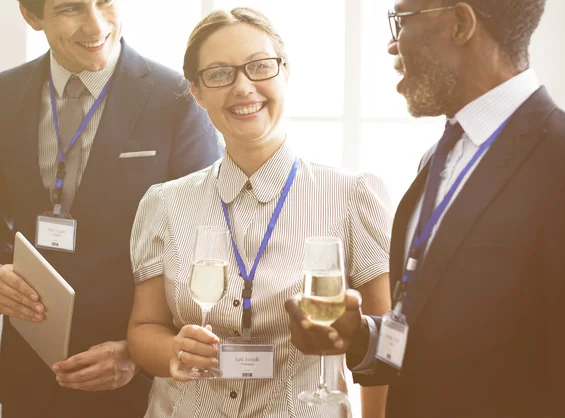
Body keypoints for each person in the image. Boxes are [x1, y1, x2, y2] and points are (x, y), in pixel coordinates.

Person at [285, 0, 565, 417]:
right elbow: (439, 332)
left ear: (459, 23)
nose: (392, 46)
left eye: (402, 21)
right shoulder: (437, 158)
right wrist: (360, 337)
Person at [127, 7, 392, 418]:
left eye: (260, 67)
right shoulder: (164, 203)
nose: (243, 87)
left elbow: (382, 352)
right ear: (196, 92)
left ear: (285, 72)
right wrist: (172, 350)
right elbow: (144, 330)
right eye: (219, 74)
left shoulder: (353, 195)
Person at [0, 0, 222, 416]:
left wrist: (140, 351)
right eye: (71, 8)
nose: (96, 24)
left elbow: (205, 244)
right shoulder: (3, 94)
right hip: (27, 372)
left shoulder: (177, 100)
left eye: (104, 2)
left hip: (131, 385)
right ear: (31, 17)